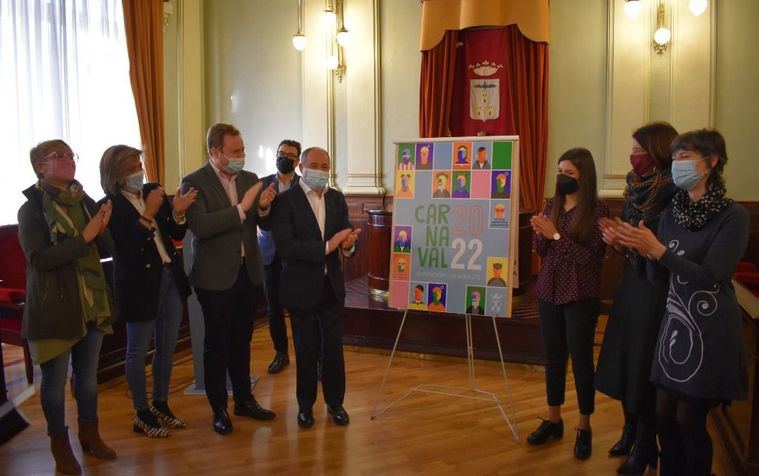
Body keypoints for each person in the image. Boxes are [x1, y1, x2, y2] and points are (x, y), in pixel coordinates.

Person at [613, 129, 749, 476]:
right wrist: (635, 247)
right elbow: (661, 276)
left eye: (685, 158)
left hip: (711, 325)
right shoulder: (672, 210)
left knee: (690, 416)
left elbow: (710, 275)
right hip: (675, 322)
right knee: (663, 412)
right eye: (674, 159)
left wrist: (658, 251)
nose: (677, 165)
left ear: (712, 161)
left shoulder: (732, 216)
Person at [18, 140, 117, 474]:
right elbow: (40, 259)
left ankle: (91, 434)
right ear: (40, 167)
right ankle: (59, 445)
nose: (68, 161)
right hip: (54, 306)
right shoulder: (31, 208)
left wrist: (103, 225)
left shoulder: (83, 198)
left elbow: (106, 246)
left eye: (70, 155)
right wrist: (85, 238)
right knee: (55, 381)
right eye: (58, 156)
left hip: (90, 300)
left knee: (88, 377)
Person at [180, 123, 277, 435]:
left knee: (242, 341)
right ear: (215, 152)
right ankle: (218, 407)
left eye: (243, 150)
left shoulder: (250, 179)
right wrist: (243, 207)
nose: (242, 156)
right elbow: (202, 227)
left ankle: (244, 400)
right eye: (235, 152)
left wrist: (261, 209)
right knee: (216, 344)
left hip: (247, 274)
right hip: (214, 277)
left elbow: (260, 221)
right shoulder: (193, 182)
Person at [594, 122, 678, 474]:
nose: (633, 156)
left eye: (639, 150)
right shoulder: (633, 185)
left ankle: (645, 444)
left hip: (656, 287)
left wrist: (638, 242)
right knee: (625, 358)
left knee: (643, 363)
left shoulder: (674, 191)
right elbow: (631, 235)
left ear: (658, 151)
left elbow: (666, 244)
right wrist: (616, 240)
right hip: (631, 282)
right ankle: (629, 429)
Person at [99, 145, 198, 438]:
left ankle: (161, 405)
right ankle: (141, 413)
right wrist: (148, 215)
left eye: (139, 163)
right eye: (131, 165)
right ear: (116, 173)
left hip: (169, 278)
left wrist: (178, 213)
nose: (138, 170)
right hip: (138, 285)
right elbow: (126, 251)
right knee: (138, 350)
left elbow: (177, 234)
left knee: (167, 348)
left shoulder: (153, 190)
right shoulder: (109, 206)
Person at [527, 147, 609, 460]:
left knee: (582, 362)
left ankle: (584, 426)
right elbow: (541, 251)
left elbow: (591, 259)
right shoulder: (552, 204)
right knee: (553, 359)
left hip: (580, 294)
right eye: (560, 171)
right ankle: (554, 419)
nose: (562, 177)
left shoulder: (598, 211)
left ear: (584, 176)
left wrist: (557, 235)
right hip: (548, 290)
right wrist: (541, 234)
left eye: (569, 173)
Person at [271, 146, 361, 429]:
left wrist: (347, 246)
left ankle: (335, 403)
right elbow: (286, 247)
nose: (321, 171)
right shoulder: (285, 202)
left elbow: (346, 236)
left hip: (330, 287)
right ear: (301, 166)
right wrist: (328, 246)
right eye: (315, 165)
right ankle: (305, 406)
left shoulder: (336, 198)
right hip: (301, 289)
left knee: (333, 349)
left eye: (326, 166)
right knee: (306, 349)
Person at [258, 139, 302, 375]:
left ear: (297, 161)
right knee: (273, 308)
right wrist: (264, 206)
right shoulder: (263, 184)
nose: (283, 157)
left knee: (298, 307)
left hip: (295, 256)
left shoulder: (303, 186)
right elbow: (258, 218)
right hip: (270, 254)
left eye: (289, 155)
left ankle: (306, 355)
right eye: (280, 153)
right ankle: (281, 353)